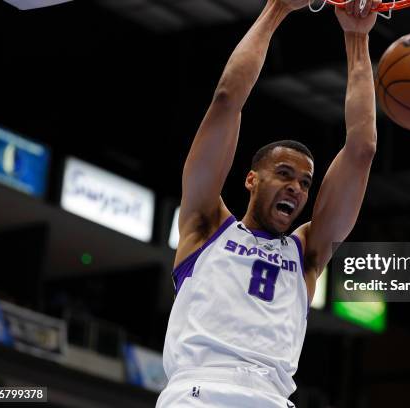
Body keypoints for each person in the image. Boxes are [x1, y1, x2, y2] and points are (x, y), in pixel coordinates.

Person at [156, 0, 380, 406]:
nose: (296, 187)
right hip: (200, 391)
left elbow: (361, 148)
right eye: (283, 174)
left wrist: (357, 38)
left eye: (305, 183)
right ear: (251, 179)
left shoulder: (307, 252)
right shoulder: (206, 224)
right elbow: (227, 99)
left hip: (272, 398)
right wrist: (276, 8)